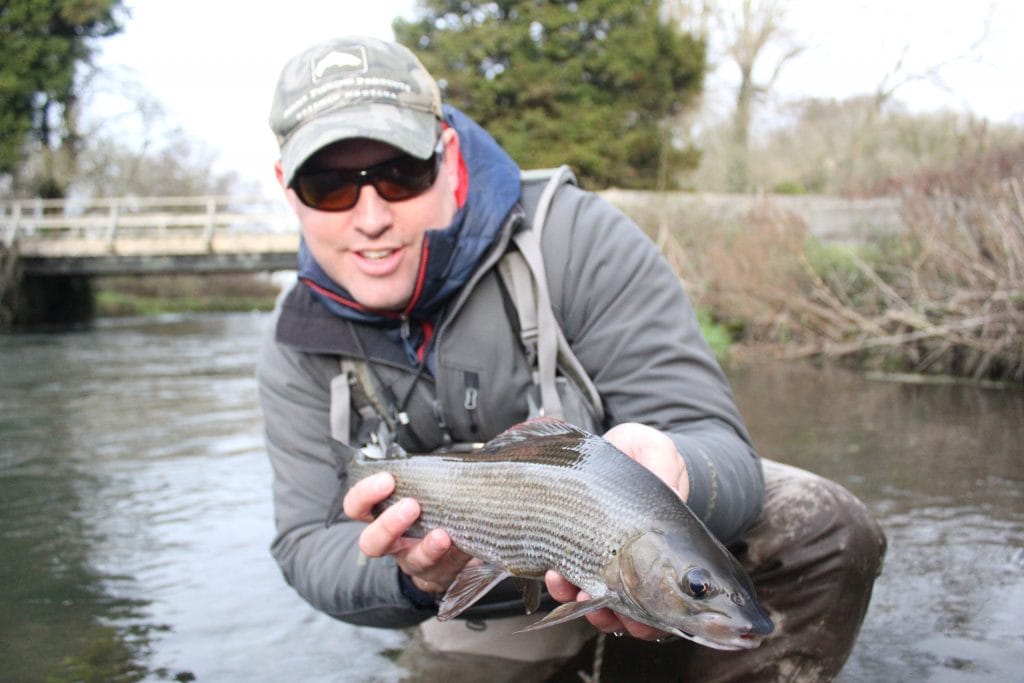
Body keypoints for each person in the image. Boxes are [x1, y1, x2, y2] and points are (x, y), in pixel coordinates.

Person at [258, 35, 886, 682]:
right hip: (481, 607)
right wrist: (413, 577)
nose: (370, 216)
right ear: (287, 188)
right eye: (327, 186)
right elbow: (306, 545)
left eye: (400, 174)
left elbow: (716, 439)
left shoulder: (576, 239)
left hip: (625, 549)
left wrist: (679, 474)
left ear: (445, 157)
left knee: (824, 525)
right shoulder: (296, 346)